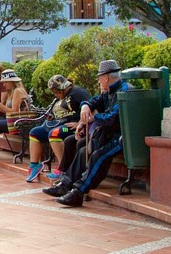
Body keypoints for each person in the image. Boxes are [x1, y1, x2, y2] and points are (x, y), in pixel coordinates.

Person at [43, 60, 129, 207]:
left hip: (122, 138)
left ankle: (78, 192)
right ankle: (65, 184)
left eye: (100, 77)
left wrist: (94, 117)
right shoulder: (109, 91)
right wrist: (85, 107)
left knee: (98, 155)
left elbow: (111, 119)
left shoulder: (123, 91)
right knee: (84, 151)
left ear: (106, 78)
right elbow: (92, 101)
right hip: (106, 135)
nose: (99, 81)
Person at [27, 74, 91, 182]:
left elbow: (90, 108)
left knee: (55, 133)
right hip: (58, 123)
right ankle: (34, 165)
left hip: (71, 128)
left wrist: (79, 123)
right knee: (34, 132)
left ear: (62, 88)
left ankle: (64, 169)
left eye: (55, 92)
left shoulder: (78, 92)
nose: (55, 95)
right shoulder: (59, 98)